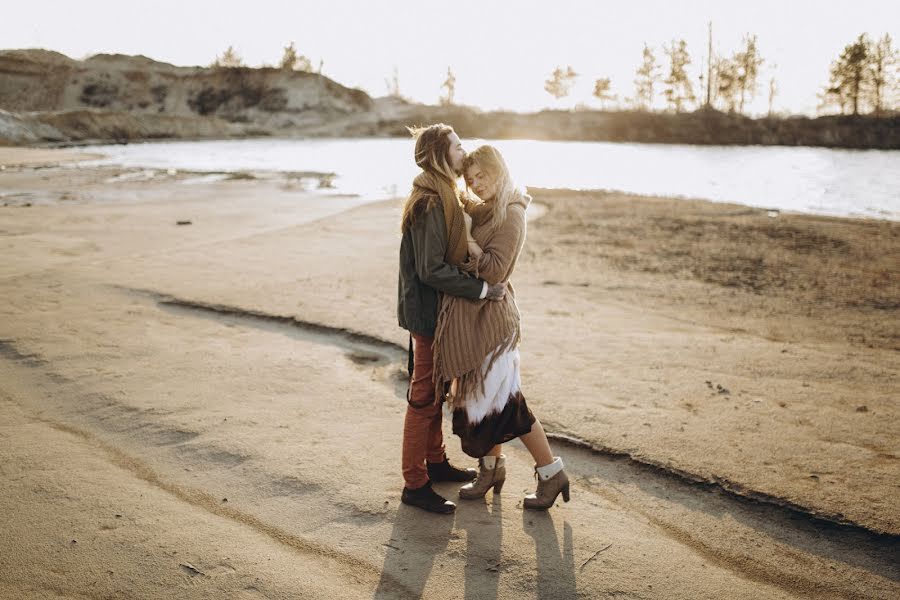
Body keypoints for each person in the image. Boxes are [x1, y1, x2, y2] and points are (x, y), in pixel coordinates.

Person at [433, 145, 570, 510]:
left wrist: (468, 241)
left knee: (507, 403)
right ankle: (491, 469)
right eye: (471, 178)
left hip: (494, 323)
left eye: (483, 176)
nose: (476, 184)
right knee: (485, 401)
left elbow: (494, 270)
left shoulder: (511, 213)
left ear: (501, 170)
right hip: (474, 320)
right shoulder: (480, 210)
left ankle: (551, 472)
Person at [397, 124, 507, 514]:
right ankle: (415, 483)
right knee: (423, 397)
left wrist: (514, 199)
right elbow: (429, 269)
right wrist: (480, 290)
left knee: (435, 393)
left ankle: (436, 462)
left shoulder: (445, 193)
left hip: (435, 311)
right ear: (441, 155)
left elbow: (477, 212)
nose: (464, 153)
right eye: (458, 147)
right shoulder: (430, 201)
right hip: (426, 313)